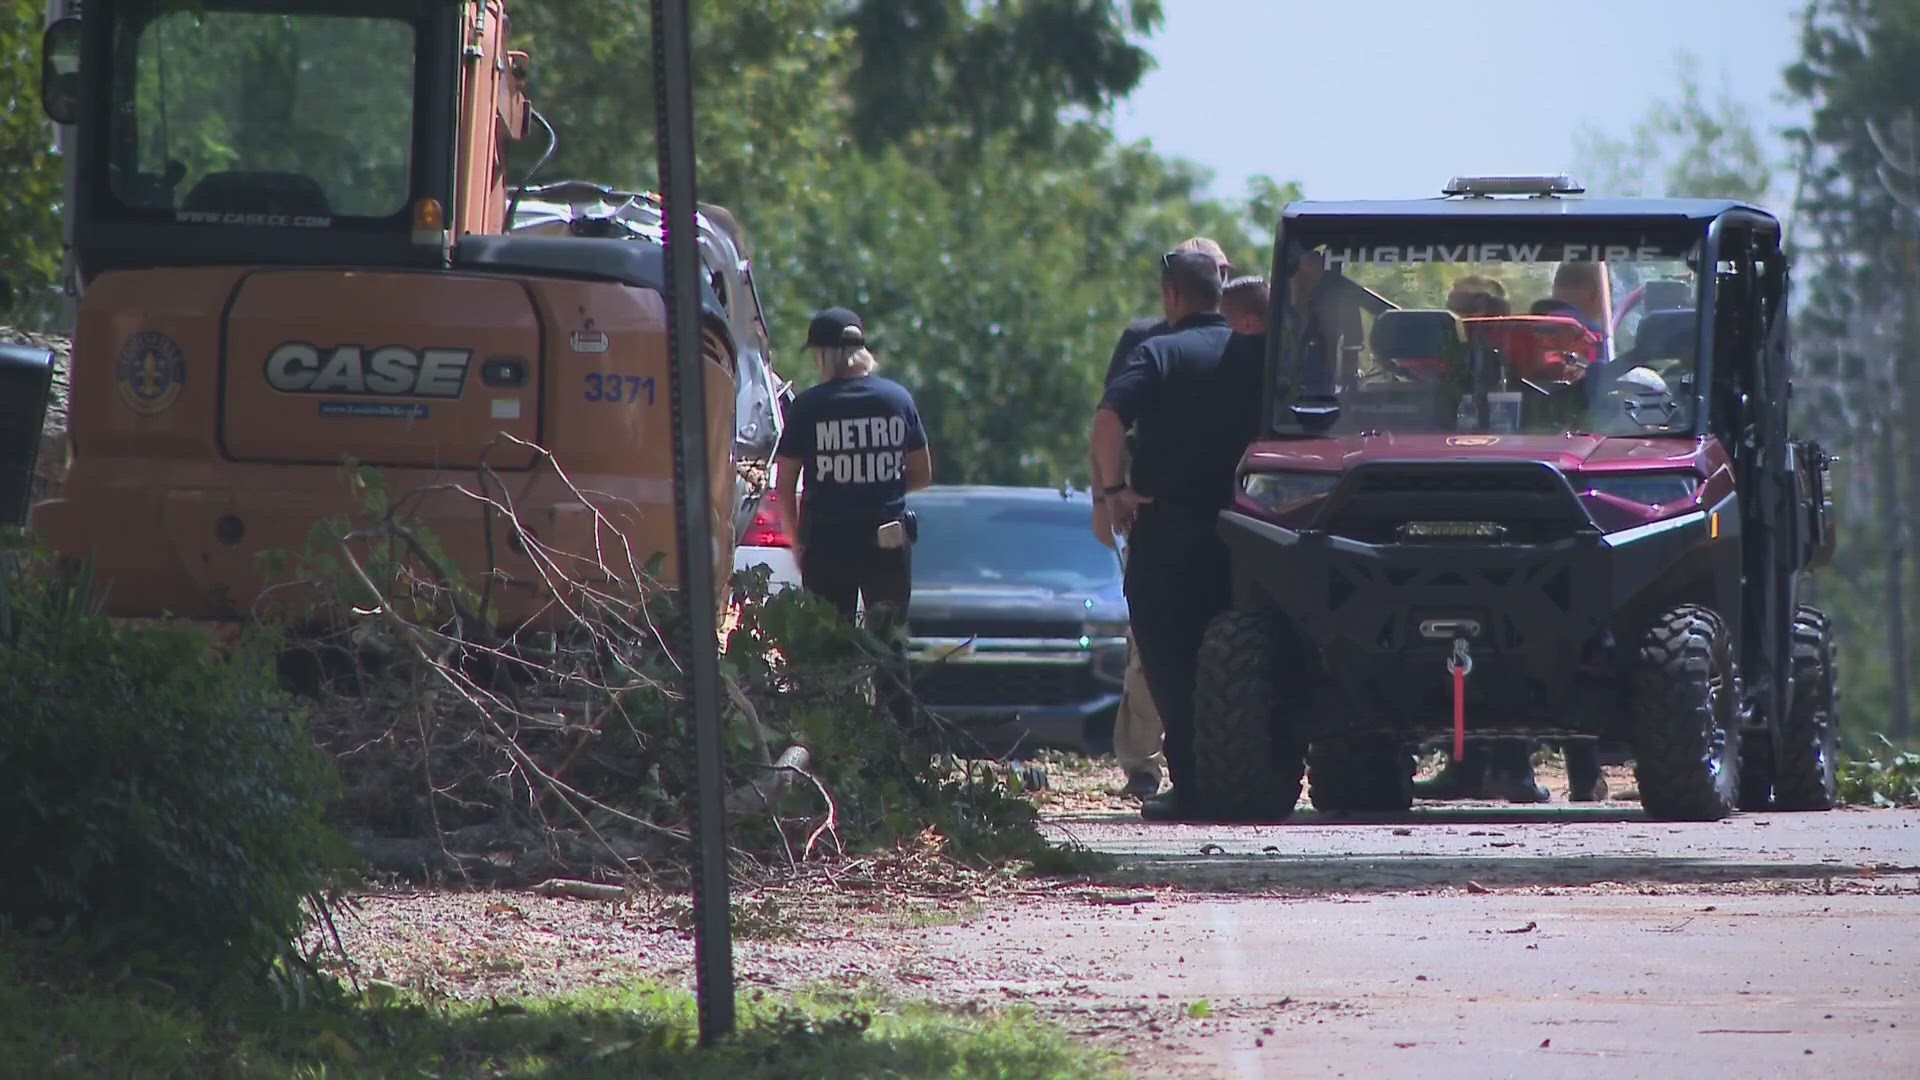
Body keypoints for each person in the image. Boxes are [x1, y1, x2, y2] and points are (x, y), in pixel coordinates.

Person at [1091, 249, 1264, 821]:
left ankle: (1191, 785)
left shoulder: (1157, 351)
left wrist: (1113, 490)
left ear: (1170, 296)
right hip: (1251, 528)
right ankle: (1256, 778)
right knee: (1251, 656)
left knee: (1170, 659)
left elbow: (1110, 419)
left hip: (1170, 528)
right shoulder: (1258, 351)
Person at [773, 306, 933, 641]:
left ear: (825, 356)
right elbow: (922, 475)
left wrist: (796, 542)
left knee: (829, 648)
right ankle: (892, 695)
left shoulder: (809, 407)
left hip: (828, 544)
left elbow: (784, 484)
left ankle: (834, 695)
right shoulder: (897, 400)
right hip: (888, 541)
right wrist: (878, 481)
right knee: (889, 644)